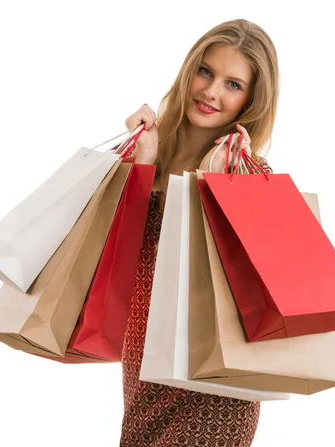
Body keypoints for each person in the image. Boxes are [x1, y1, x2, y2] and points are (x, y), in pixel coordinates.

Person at [119, 19, 279, 447]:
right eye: (206, 72)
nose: (211, 92)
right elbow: (110, 258)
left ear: (250, 100)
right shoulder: (145, 152)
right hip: (145, 363)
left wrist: (218, 189)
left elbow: (261, 284)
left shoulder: (249, 174)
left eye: (233, 84)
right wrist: (142, 166)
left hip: (218, 382)